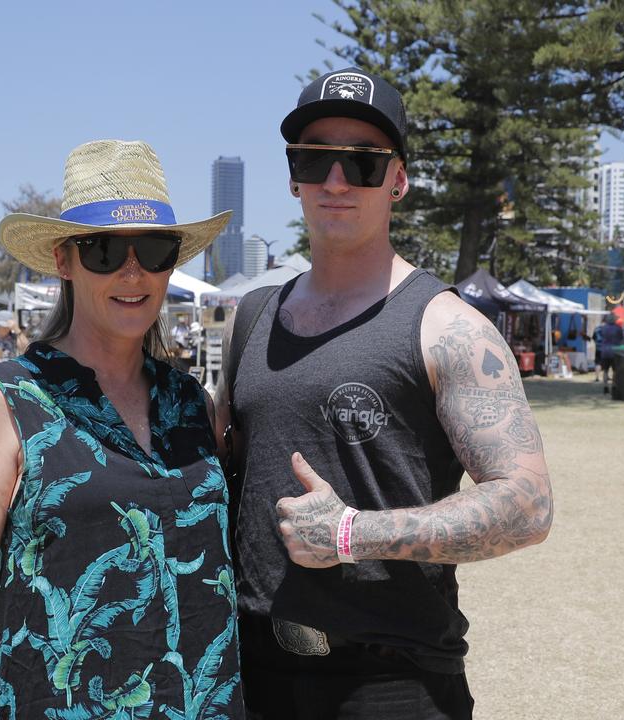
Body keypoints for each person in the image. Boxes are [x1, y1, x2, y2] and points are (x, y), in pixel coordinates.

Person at [216, 68, 552, 719]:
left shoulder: (447, 327)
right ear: (293, 177)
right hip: (252, 678)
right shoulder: (251, 318)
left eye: (363, 164)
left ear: (398, 180)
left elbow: (527, 505)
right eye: (315, 160)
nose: (336, 181)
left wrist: (352, 534)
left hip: (391, 685)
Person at [0, 139, 244, 719]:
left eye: (153, 249)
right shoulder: (8, 399)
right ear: (63, 259)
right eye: (103, 250)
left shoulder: (190, 400)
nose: (133, 271)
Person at [596, 315, 624, 394]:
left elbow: (600, 337)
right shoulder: (618, 328)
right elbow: (621, 338)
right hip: (615, 351)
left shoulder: (603, 328)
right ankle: (614, 386)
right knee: (615, 370)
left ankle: (605, 386)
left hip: (604, 351)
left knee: (605, 370)